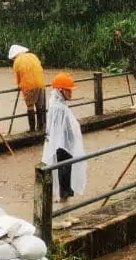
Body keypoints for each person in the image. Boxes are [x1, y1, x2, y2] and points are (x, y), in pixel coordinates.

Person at [42, 73, 87, 201]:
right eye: (69, 91)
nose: (71, 94)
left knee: (64, 172)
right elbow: (62, 128)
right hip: (62, 146)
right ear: (60, 91)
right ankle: (64, 205)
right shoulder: (59, 108)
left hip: (61, 143)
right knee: (65, 173)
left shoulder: (55, 103)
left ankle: (63, 203)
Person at [10, 45, 47, 132]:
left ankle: (32, 129)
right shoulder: (33, 56)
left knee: (30, 107)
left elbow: (19, 78)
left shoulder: (17, 62)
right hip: (41, 83)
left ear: (15, 56)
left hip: (29, 86)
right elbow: (40, 69)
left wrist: (19, 85)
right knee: (39, 106)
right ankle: (41, 126)